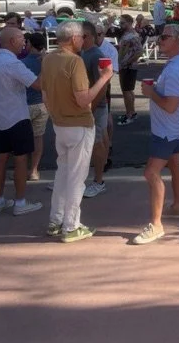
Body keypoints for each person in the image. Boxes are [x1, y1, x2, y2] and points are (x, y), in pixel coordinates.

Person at [41, 21, 113, 243]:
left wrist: (55, 114)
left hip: (60, 124)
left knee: (63, 173)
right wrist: (104, 77)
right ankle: (71, 226)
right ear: (74, 38)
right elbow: (83, 99)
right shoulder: (75, 61)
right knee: (76, 178)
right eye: (82, 37)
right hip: (78, 124)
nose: (84, 40)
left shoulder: (48, 59)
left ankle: (56, 220)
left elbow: (44, 92)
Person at [133, 24, 179, 245]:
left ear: (177, 40)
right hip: (174, 128)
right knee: (175, 164)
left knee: (151, 173)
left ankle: (156, 225)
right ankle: (177, 207)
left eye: (165, 37)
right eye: (161, 36)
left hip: (166, 130)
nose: (160, 39)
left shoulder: (176, 69)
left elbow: (170, 106)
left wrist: (151, 93)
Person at [0, 27, 43, 214]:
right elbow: (38, 85)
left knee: (1, 158)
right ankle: (20, 203)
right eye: (21, 39)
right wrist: (46, 65)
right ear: (12, 41)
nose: (24, 42)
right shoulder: (13, 64)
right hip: (17, 116)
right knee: (20, 159)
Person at [81, 22, 110, 198]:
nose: (79, 39)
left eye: (83, 36)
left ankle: (99, 182)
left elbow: (103, 85)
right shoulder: (83, 53)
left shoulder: (96, 55)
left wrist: (92, 108)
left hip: (96, 108)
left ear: (91, 36)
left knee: (97, 144)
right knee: (87, 144)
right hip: (87, 107)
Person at [22, 33, 48, 180]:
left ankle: (22, 170)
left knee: (23, 139)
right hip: (42, 104)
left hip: (25, 104)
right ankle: (34, 170)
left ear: (30, 44)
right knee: (38, 137)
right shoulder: (48, 61)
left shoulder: (22, 63)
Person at [95, 23, 118, 172]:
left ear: (104, 34)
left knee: (106, 119)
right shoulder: (86, 47)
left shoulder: (109, 49)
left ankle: (108, 145)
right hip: (90, 86)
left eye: (99, 34)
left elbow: (113, 71)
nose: (97, 37)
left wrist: (102, 84)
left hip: (104, 86)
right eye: (94, 34)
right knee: (101, 119)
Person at [117, 14, 143, 125]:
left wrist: (127, 62)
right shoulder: (127, 34)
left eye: (123, 23)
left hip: (128, 67)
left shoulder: (132, 35)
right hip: (126, 66)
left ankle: (129, 115)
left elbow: (140, 51)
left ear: (129, 22)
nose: (120, 25)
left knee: (126, 91)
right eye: (120, 22)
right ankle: (131, 112)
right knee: (128, 90)